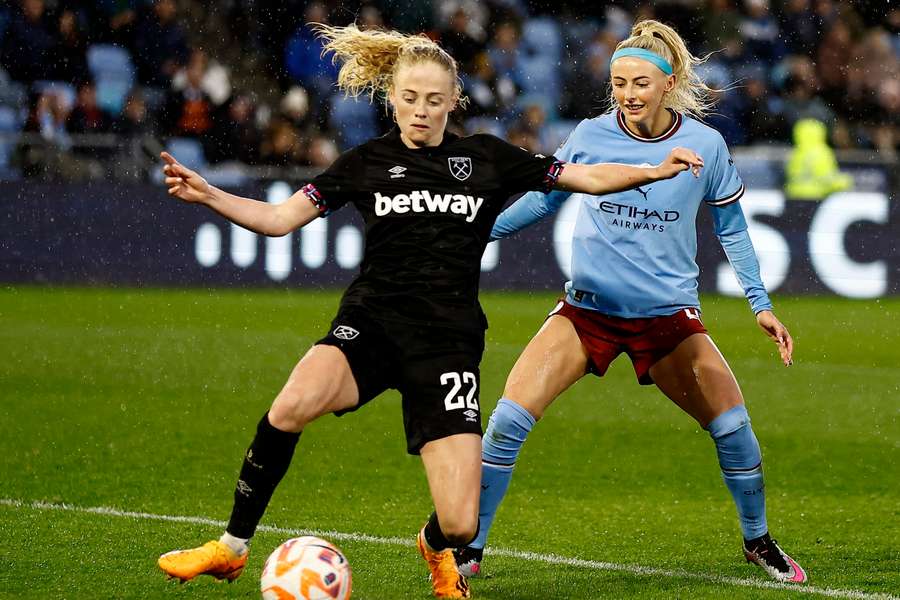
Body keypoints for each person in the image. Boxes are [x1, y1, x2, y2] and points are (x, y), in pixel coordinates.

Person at [153, 23, 703, 600]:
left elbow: (583, 177)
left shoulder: (486, 158)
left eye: (434, 101)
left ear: (453, 101)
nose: (420, 111)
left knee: (462, 523)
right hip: (371, 325)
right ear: (392, 98)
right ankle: (231, 548)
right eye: (410, 99)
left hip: (447, 344)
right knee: (291, 403)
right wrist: (209, 193)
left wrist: (653, 169)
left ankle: (434, 544)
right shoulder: (364, 162)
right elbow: (279, 219)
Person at [453, 19, 808, 586]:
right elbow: (544, 202)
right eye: (618, 83)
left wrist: (760, 304)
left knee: (736, 430)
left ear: (667, 84)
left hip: (667, 320)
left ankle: (758, 541)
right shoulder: (591, 135)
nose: (627, 94)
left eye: (639, 83)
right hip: (586, 312)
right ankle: (469, 549)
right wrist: (476, 232)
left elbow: (733, 229)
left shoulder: (705, 146)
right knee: (505, 423)